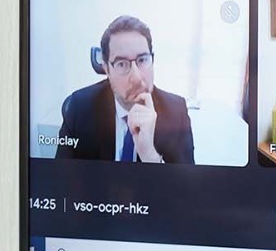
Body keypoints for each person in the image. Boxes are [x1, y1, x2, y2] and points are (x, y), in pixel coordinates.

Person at [55, 15, 194, 163]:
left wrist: (150, 156)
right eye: (122, 64)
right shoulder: (79, 107)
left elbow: (185, 178)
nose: (136, 77)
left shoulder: (176, 113)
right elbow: (60, 174)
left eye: (142, 60)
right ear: (107, 69)